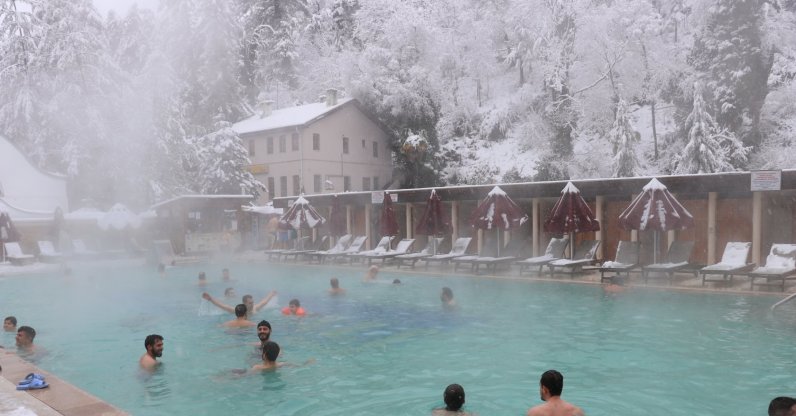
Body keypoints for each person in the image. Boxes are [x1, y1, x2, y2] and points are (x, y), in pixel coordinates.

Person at [203, 290, 276, 319]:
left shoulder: (255, 308)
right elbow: (223, 306)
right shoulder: (239, 310)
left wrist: (271, 294)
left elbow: (264, 302)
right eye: (250, 303)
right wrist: (210, 299)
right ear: (244, 303)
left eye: (253, 302)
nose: (252, 304)